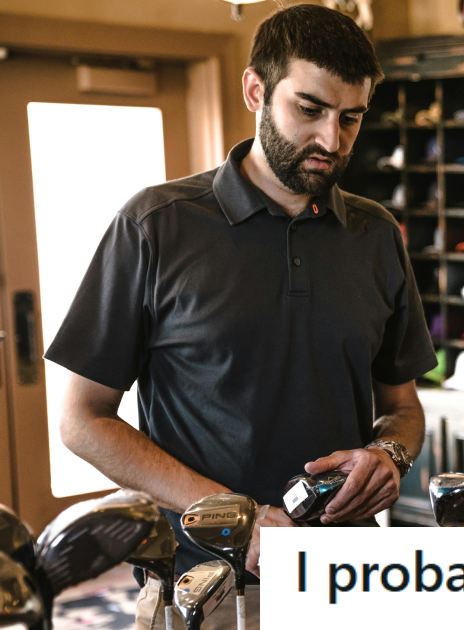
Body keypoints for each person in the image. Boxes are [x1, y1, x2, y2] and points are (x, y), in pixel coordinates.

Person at [44, 5, 435, 628]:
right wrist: (237, 515)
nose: (332, 141)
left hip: (349, 585)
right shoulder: (154, 225)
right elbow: (81, 421)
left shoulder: (376, 235)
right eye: (309, 110)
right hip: (205, 587)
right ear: (256, 90)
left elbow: (403, 407)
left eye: (351, 118)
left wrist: (390, 454)